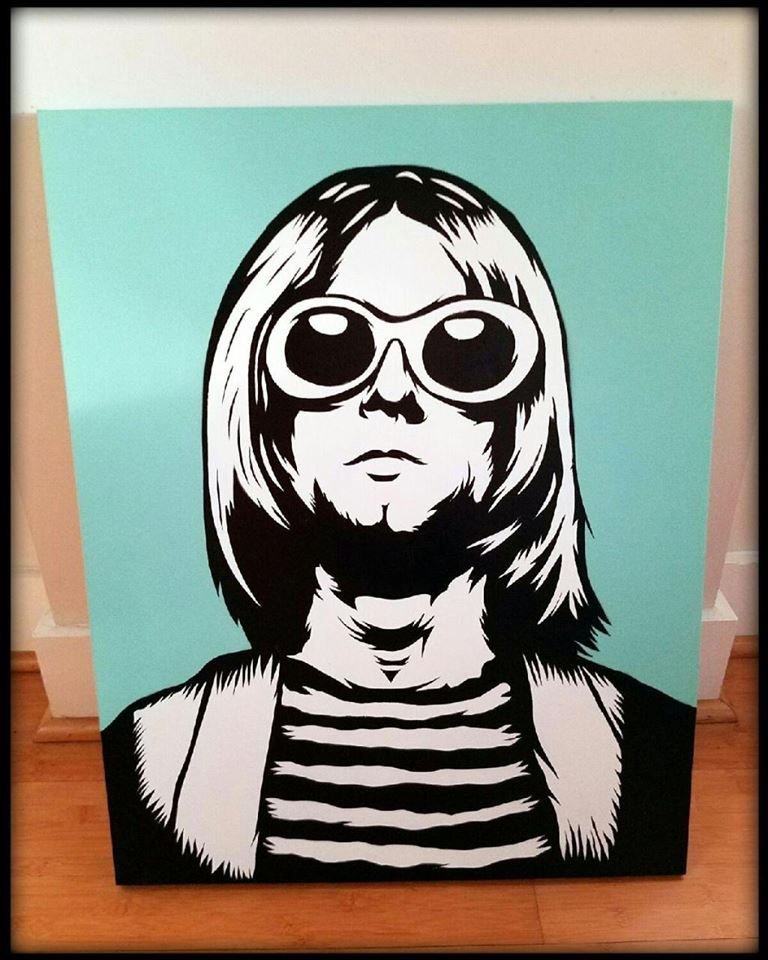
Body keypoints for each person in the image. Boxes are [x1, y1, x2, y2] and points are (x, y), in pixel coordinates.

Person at [101, 166, 696, 885]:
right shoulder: (151, 759)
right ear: (259, 406)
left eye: (464, 346)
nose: (392, 391)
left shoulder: (648, 751)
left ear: (523, 413)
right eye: (327, 342)